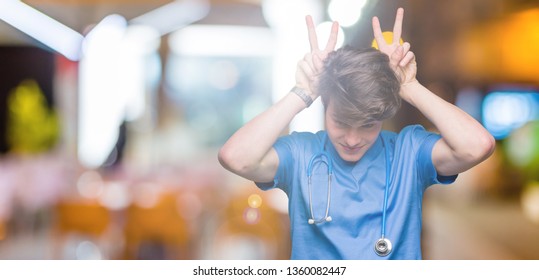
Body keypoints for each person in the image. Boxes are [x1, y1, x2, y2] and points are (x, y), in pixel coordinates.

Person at [218, 8, 495, 259]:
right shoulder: (300, 152)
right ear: (324, 106)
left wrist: (409, 86)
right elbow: (235, 158)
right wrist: (303, 92)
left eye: (367, 125)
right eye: (341, 123)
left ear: (383, 116)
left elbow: (477, 146)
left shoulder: (409, 151)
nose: (352, 140)